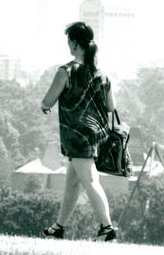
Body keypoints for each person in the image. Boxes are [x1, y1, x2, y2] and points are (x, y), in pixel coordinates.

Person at [40, 21, 117, 242]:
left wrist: (44, 107)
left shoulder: (66, 71)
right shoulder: (102, 74)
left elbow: (48, 100)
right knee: (73, 182)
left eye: (69, 41)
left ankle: (107, 227)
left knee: (91, 181)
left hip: (76, 136)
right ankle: (58, 227)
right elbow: (111, 107)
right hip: (96, 136)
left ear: (74, 43)